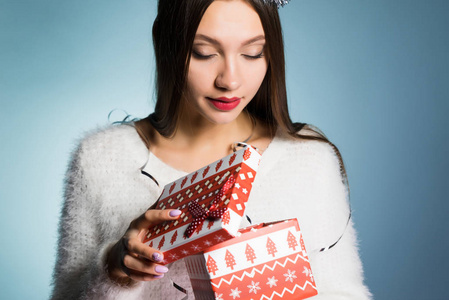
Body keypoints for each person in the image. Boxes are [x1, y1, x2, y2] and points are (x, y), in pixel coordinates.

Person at [51, 0, 372, 299]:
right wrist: (115, 270)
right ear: (166, 42)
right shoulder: (102, 156)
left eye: (253, 53)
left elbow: (343, 290)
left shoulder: (309, 158)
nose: (230, 80)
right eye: (204, 53)